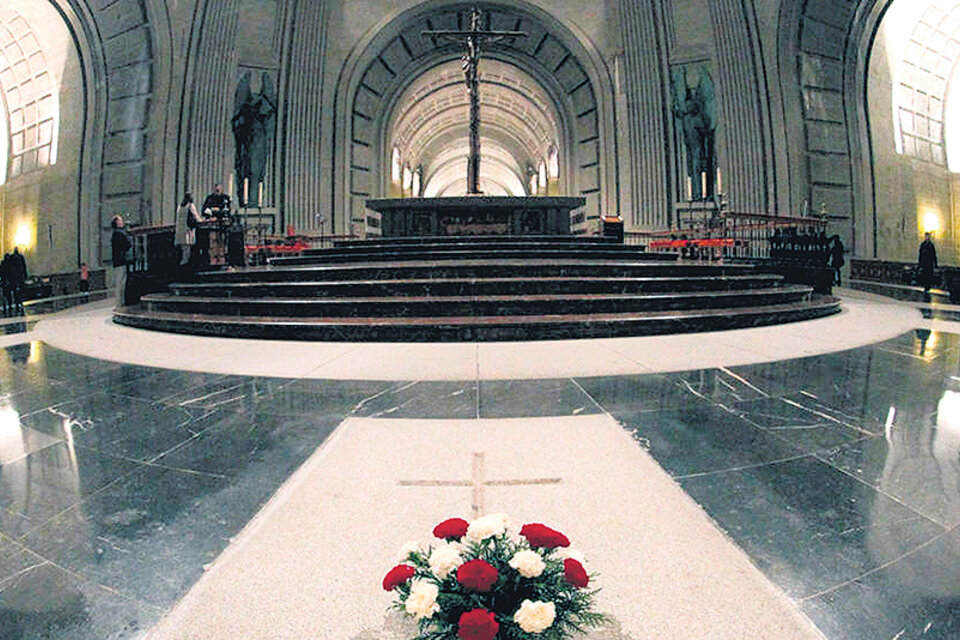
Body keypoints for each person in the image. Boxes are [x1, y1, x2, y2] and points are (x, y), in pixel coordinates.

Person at [175, 192, 202, 267]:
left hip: (180, 229)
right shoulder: (190, 206)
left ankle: (182, 263)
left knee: (183, 249)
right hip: (187, 230)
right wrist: (201, 220)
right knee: (187, 250)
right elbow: (195, 216)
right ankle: (185, 265)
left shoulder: (180, 206)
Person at [111, 215, 132, 306]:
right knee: (120, 283)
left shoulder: (117, 233)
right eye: (120, 220)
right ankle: (119, 303)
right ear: (117, 223)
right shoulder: (118, 234)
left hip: (119, 261)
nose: (122, 222)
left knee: (121, 282)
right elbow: (125, 245)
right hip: (120, 261)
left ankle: (120, 302)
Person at [918, 231, 938, 296]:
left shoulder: (931, 245)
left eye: (928, 236)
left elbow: (933, 254)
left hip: (929, 264)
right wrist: (920, 263)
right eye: (926, 236)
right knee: (924, 275)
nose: (927, 237)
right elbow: (920, 254)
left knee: (929, 275)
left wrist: (935, 264)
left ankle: (928, 286)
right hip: (924, 263)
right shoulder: (923, 245)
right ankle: (925, 286)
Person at [8, 247, 27, 314]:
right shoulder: (20, 258)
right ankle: (19, 303)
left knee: (16, 293)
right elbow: (24, 267)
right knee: (19, 292)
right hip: (19, 278)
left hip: (14, 279)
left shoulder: (11, 258)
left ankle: (18, 303)